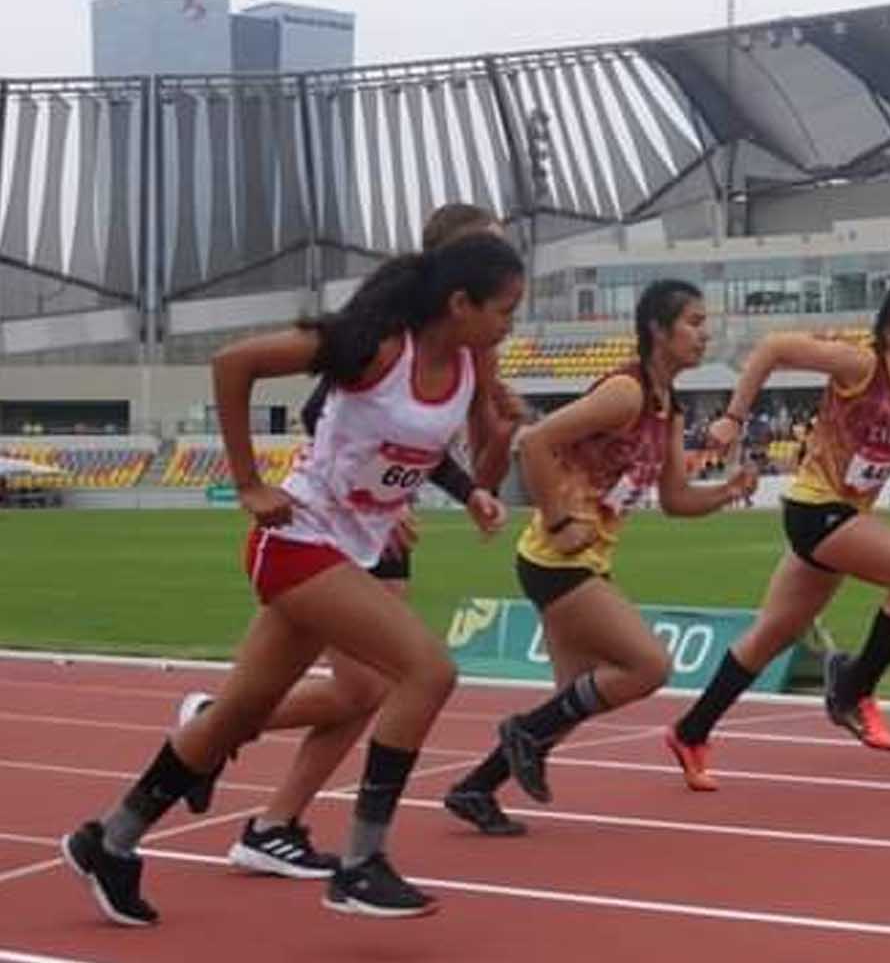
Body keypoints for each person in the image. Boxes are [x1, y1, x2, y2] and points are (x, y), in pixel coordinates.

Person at [61, 234, 525, 923]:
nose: (509, 325)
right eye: (505, 310)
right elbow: (233, 362)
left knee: (240, 716)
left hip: (351, 551)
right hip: (298, 541)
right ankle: (363, 863)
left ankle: (109, 840)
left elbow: (448, 456)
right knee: (428, 672)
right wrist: (248, 481)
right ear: (459, 303)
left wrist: (488, 462)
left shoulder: (469, 364)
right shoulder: (376, 348)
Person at [175, 203, 521, 876]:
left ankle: (266, 808)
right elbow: (326, 409)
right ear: (453, 279)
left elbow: (460, 449)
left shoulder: (477, 352)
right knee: (377, 684)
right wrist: (374, 492)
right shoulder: (390, 337)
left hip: (377, 519)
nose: (509, 284)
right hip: (338, 522)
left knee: (366, 689)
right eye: (492, 255)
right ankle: (220, 735)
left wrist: (476, 484)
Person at [445, 279, 756, 821]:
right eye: (695, 322)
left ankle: (476, 788)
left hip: (585, 560)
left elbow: (676, 499)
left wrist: (727, 492)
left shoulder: (669, 409)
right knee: (648, 666)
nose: (705, 335)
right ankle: (523, 733)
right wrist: (560, 519)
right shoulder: (626, 393)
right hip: (556, 559)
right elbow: (533, 441)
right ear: (658, 331)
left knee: (568, 703)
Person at [664, 273, 890, 790]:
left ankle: (691, 731)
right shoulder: (859, 364)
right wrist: (735, 418)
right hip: (816, 507)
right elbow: (773, 347)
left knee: (772, 636)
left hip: (846, 515)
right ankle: (852, 686)